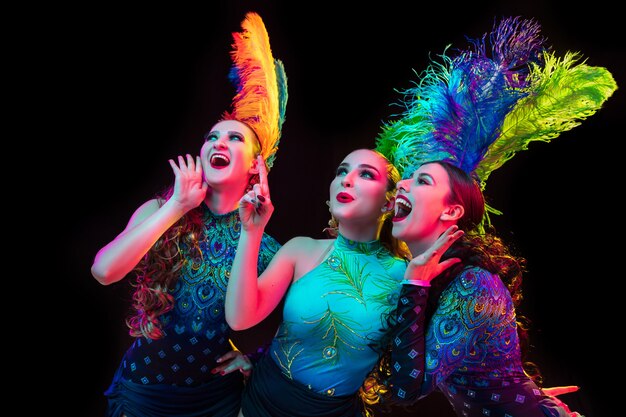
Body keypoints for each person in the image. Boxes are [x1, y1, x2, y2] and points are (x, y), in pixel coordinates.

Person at [369, 16, 616, 417]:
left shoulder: (474, 286)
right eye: (406, 179)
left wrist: (414, 283)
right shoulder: (432, 275)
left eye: (423, 180)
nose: (403, 185)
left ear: (452, 210)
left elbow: (404, 388)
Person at [91, 12, 288, 417]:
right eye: (212, 136)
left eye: (235, 137)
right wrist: (178, 206)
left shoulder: (267, 247)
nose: (219, 140)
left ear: (256, 165)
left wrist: (258, 359)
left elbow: (300, 327)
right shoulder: (158, 210)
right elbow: (104, 271)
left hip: (213, 402)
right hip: (142, 393)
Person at [224, 148, 456, 417]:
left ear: (388, 203)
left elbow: (407, 384)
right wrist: (252, 230)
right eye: (342, 171)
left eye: (366, 174)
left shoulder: (408, 276)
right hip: (261, 402)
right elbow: (240, 319)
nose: (346, 180)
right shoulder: (301, 249)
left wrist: (416, 287)